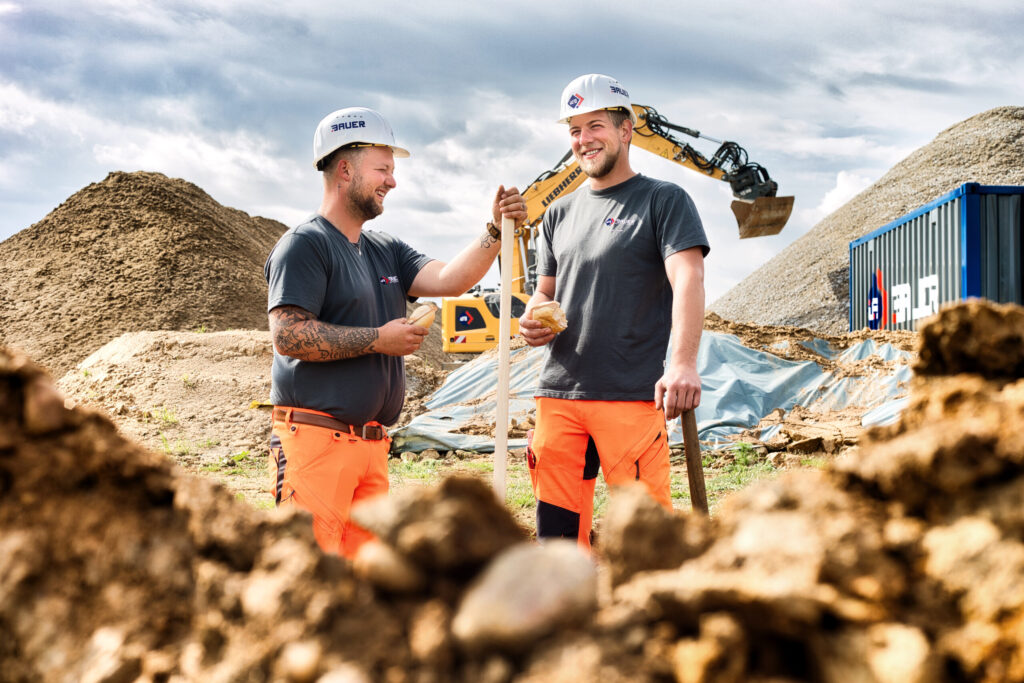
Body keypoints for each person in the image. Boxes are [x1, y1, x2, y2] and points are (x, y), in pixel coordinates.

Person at [265, 107, 526, 558]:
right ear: (345, 169)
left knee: (365, 585)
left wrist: (495, 231)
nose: (392, 181)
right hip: (315, 444)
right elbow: (289, 336)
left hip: (369, 447)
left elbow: (450, 281)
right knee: (309, 575)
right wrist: (376, 339)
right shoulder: (305, 244)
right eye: (383, 169)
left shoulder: (385, 248)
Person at [519, 75, 710, 550]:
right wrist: (532, 316)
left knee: (648, 544)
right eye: (575, 130)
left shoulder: (662, 200)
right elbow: (546, 292)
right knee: (557, 540)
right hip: (558, 397)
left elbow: (688, 278)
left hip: (629, 396)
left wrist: (683, 363)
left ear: (626, 130)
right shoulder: (559, 213)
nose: (584, 139)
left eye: (596, 125)